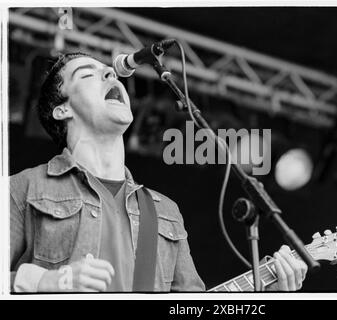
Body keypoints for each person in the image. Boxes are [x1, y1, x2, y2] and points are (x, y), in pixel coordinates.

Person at [10, 52, 308, 292]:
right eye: (88, 74)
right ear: (63, 110)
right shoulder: (23, 188)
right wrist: (48, 281)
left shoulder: (165, 211)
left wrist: (269, 291)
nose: (110, 73)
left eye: (108, 71)